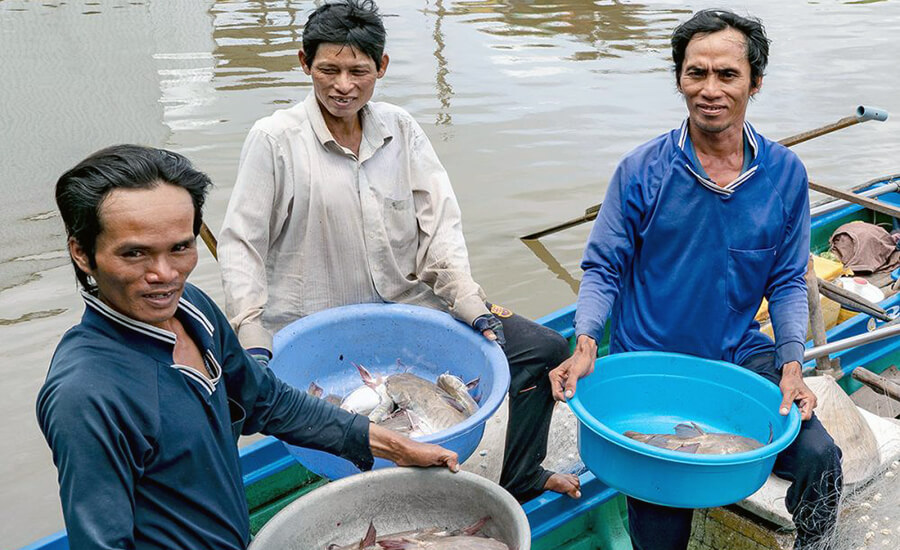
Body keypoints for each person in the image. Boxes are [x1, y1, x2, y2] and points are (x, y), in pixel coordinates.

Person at [218, 0, 578, 502]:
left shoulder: (400, 129)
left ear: (381, 68)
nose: (343, 85)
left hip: (409, 308)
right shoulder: (275, 140)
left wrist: (468, 300)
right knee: (248, 411)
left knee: (542, 349)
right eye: (329, 70)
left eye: (358, 71)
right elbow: (242, 245)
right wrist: (251, 331)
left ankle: (519, 476)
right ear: (305, 64)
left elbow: (440, 229)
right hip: (322, 327)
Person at [37, 145, 459, 550]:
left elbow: (267, 400)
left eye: (180, 247)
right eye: (134, 254)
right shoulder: (86, 394)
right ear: (82, 253)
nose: (164, 274)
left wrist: (396, 445)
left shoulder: (193, 311)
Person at [549, 9, 842, 550]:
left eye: (727, 74)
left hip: (737, 352)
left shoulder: (784, 175)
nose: (710, 90)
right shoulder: (642, 171)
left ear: (756, 81)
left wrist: (794, 362)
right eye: (695, 73)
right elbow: (603, 266)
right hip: (652, 362)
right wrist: (586, 339)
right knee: (661, 517)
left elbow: (785, 282)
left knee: (820, 456)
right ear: (679, 79)